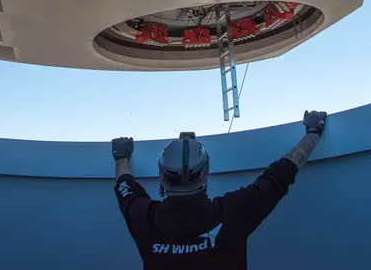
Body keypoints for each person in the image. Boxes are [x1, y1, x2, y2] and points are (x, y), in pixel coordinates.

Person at [111, 110, 328, 269]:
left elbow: (124, 184)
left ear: (161, 176)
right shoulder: (233, 213)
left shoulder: (143, 217)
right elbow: (281, 173)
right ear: (205, 174)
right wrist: (313, 131)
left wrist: (121, 155)